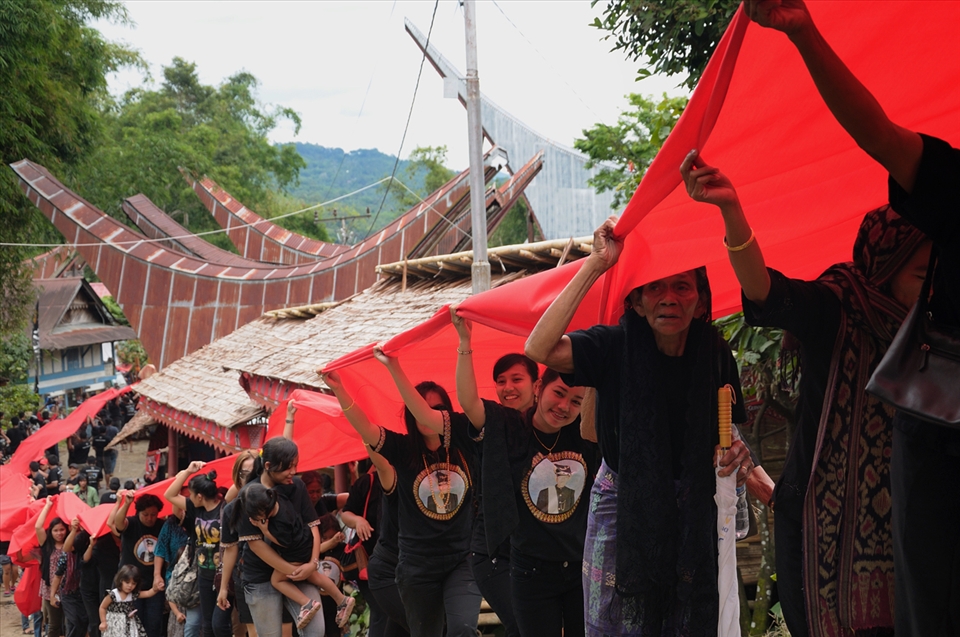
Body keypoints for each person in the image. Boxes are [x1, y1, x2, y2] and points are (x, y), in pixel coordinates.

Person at [743, 3, 960, 634]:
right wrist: (804, 31)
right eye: (917, 257)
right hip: (879, 519)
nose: (929, 268)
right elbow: (768, 298)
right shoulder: (840, 305)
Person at [681, 148, 929, 636]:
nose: (932, 288)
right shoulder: (839, 306)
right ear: (886, 265)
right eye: (921, 275)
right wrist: (732, 209)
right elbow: (765, 293)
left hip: (917, 525)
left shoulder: (937, 330)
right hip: (816, 533)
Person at [525, 217, 756, 636]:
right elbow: (537, 347)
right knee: (614, 624)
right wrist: (596, 264)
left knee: (688, 622)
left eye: (682, 286)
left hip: (693, 509)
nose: (669, 298)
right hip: (621, 504)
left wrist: (750, 469)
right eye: (655, 287)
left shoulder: (716, 354)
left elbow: (731, 437)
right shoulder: (612, 345)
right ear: (636, 301)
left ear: (702, 302)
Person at [453, 306, 596, 637]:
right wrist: (464, 341)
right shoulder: (509, 426)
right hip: (530, 569)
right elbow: (468, 401)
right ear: (539, 387)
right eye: (558, 394)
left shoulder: (586, 432)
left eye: (575, 402)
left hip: (580, 568)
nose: (563, 407)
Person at [322, 360, 482, 637]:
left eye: (438, 408)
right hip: (416, 566)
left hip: (461, 559)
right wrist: (339, 390)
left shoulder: (465, 446)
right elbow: (367, 429)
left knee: (461, 629)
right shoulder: (404, 450)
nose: (429, 414)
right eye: (421, 407)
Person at [232, 436, 326, 637]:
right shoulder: (248, 494)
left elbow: (313, 526)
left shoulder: (297, 486)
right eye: (288, 467)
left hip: (300, 567)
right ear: (268, 465)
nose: (294, 472)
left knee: (316, 632)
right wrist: (295, 571)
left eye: (295, 466)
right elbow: (257, 545)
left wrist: (312, 564)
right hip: (261, 577)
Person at [238, 483, 355, 630]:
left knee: (276, 580)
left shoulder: (280, 525)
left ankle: (306, 603)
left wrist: (265, 531)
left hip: (296, 552)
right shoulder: (280, 498)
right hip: (306, 542)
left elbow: (283, 543)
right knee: (314, 576)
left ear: (262, 511)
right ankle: (342, 599)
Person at [164, 463, 224, 637]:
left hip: (223, 574)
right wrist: (187, 472)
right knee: (207, 624)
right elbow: (169, 494)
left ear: (199, 496)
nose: (188, 497)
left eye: (190, 494)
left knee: (220, 623)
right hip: (203, 573)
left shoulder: (225, 508)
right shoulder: (196, 508)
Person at [216, 450, 258, 637]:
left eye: (253, 471)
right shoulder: (232, 508)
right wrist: (224, 587)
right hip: (245, 575)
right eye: (243, 473)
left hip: (276, 576)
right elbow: (230, 548)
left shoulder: (274, 499)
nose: (248, 477)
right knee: (253, 631)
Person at [113, 491, 165, 637]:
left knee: (154, 625)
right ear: (138, 513)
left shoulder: (162, 526)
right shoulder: (131, 523)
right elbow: (118, 523)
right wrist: (126, 503)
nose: (150, 518)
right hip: (130, 585)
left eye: (153, 515)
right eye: (146, 514)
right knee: (133, 624)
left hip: (154, 584)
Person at [153, 493, 200, 637]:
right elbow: (160, 550)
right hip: (175, 579)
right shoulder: (170, 524)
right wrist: (157, 575)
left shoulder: (201, 520)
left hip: (198, 579)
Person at [36, 498, 69, 637]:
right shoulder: (47, 545)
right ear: (51, 532)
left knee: (70, 623)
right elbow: (38, 527)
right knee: (54, 624)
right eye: (55, 530)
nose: (59, 533)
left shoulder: (71, 543)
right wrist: (48, 506)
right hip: (50, 589)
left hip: (68, 589)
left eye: (62, 529)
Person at [98, 564, 159, 637]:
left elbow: (147, 593)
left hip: (129, 623)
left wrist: (155, 589)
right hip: (114, 624)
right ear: (121, 581)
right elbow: (102, 607)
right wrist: (103, 622)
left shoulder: (132, 594)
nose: (130, 586)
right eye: (127, 582)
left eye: (133, 583)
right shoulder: (113, 595)